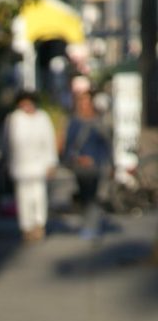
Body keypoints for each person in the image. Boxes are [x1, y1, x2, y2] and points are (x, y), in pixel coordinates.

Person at [0, 90, 58, 242]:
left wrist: (51, 163)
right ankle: (26, 227)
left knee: (38, 195)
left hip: (39, 163)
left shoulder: (42, 118)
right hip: (20, 164)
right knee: (23, 197)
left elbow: (49, 141)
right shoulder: (13, 119)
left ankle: (39, 225)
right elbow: (6, 142)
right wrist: (5, 160)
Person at [63, 88, 112, 239]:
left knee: (94, 196)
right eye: (81, 102)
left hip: (97, 166)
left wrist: (108, 164)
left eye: (86, 101)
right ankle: (88, 224)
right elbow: (69, 146)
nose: (84, 105)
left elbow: (106, 146)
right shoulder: (74, 122)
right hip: (80, 167)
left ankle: (92, 226)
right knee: (85, 196)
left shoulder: (100, 121)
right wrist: (77, 158)